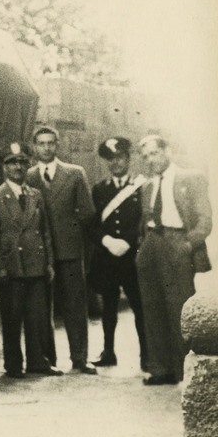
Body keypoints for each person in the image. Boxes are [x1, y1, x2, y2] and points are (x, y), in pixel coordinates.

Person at [136, 135, 212, 385]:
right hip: (151, 244)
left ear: (167, 151)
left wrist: (188, 245)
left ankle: (184, 372)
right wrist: (143, 248)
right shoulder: (146, 185)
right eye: (145, 156)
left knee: (179, 308)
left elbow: (205, 220)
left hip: (177, 241)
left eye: (154, 153)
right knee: (152, 307)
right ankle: (161, 369)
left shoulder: (191, 178)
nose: (150, 160)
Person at [0, 142, 61, 378]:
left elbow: (44, 231)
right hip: (12, 267)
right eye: (12, 162)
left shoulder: (36, 195)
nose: (18, 167)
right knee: (12, 318)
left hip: (36, 265)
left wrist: (48, 262)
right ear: (4, 167)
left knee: (37, 318)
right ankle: (13, 364)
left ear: (27, 166)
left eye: (22, 162)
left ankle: (38, 361)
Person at [25, 125, 98, 374]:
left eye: (50, 143)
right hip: (39, 252)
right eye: (41, 143)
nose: (46, 148)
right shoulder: (28, 176)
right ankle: (47, 359)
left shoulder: (75, 173)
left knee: (75, 305)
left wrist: (69, 228)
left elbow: (88, 213)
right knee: (41, 306)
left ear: (57, 145)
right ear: (34, 147)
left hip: (69, 250)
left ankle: (80, 358)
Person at [89, 137, 147, 369]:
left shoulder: (141, 186)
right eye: (111, 159)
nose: (116, 163)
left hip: (133, 258)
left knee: (139, 308)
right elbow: (93, 224)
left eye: (120, 158)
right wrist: (106, 240)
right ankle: (108, 352)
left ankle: (147, 354)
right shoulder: (99, 189)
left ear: (128, 159)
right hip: (108, 259)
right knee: (109, 309)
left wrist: (129, 242)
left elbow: (144, 220)